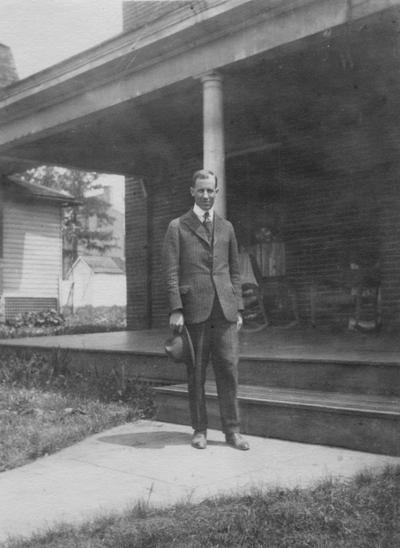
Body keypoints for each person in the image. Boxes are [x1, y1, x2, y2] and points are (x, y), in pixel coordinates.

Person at [162, 169, 249, 451]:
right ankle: (199, 429)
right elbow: (171, 272)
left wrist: (237, 308)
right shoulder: (178, 226)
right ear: (192, 192)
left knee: (229, 370)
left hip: (223, 311)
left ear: (216, 192)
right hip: (194, 309)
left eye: (211, 190)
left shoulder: (227, 227)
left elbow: (235, 272)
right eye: (201, 190)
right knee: (196, 373)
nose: (206, 196)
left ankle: (232, 431)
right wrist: (176, 308)